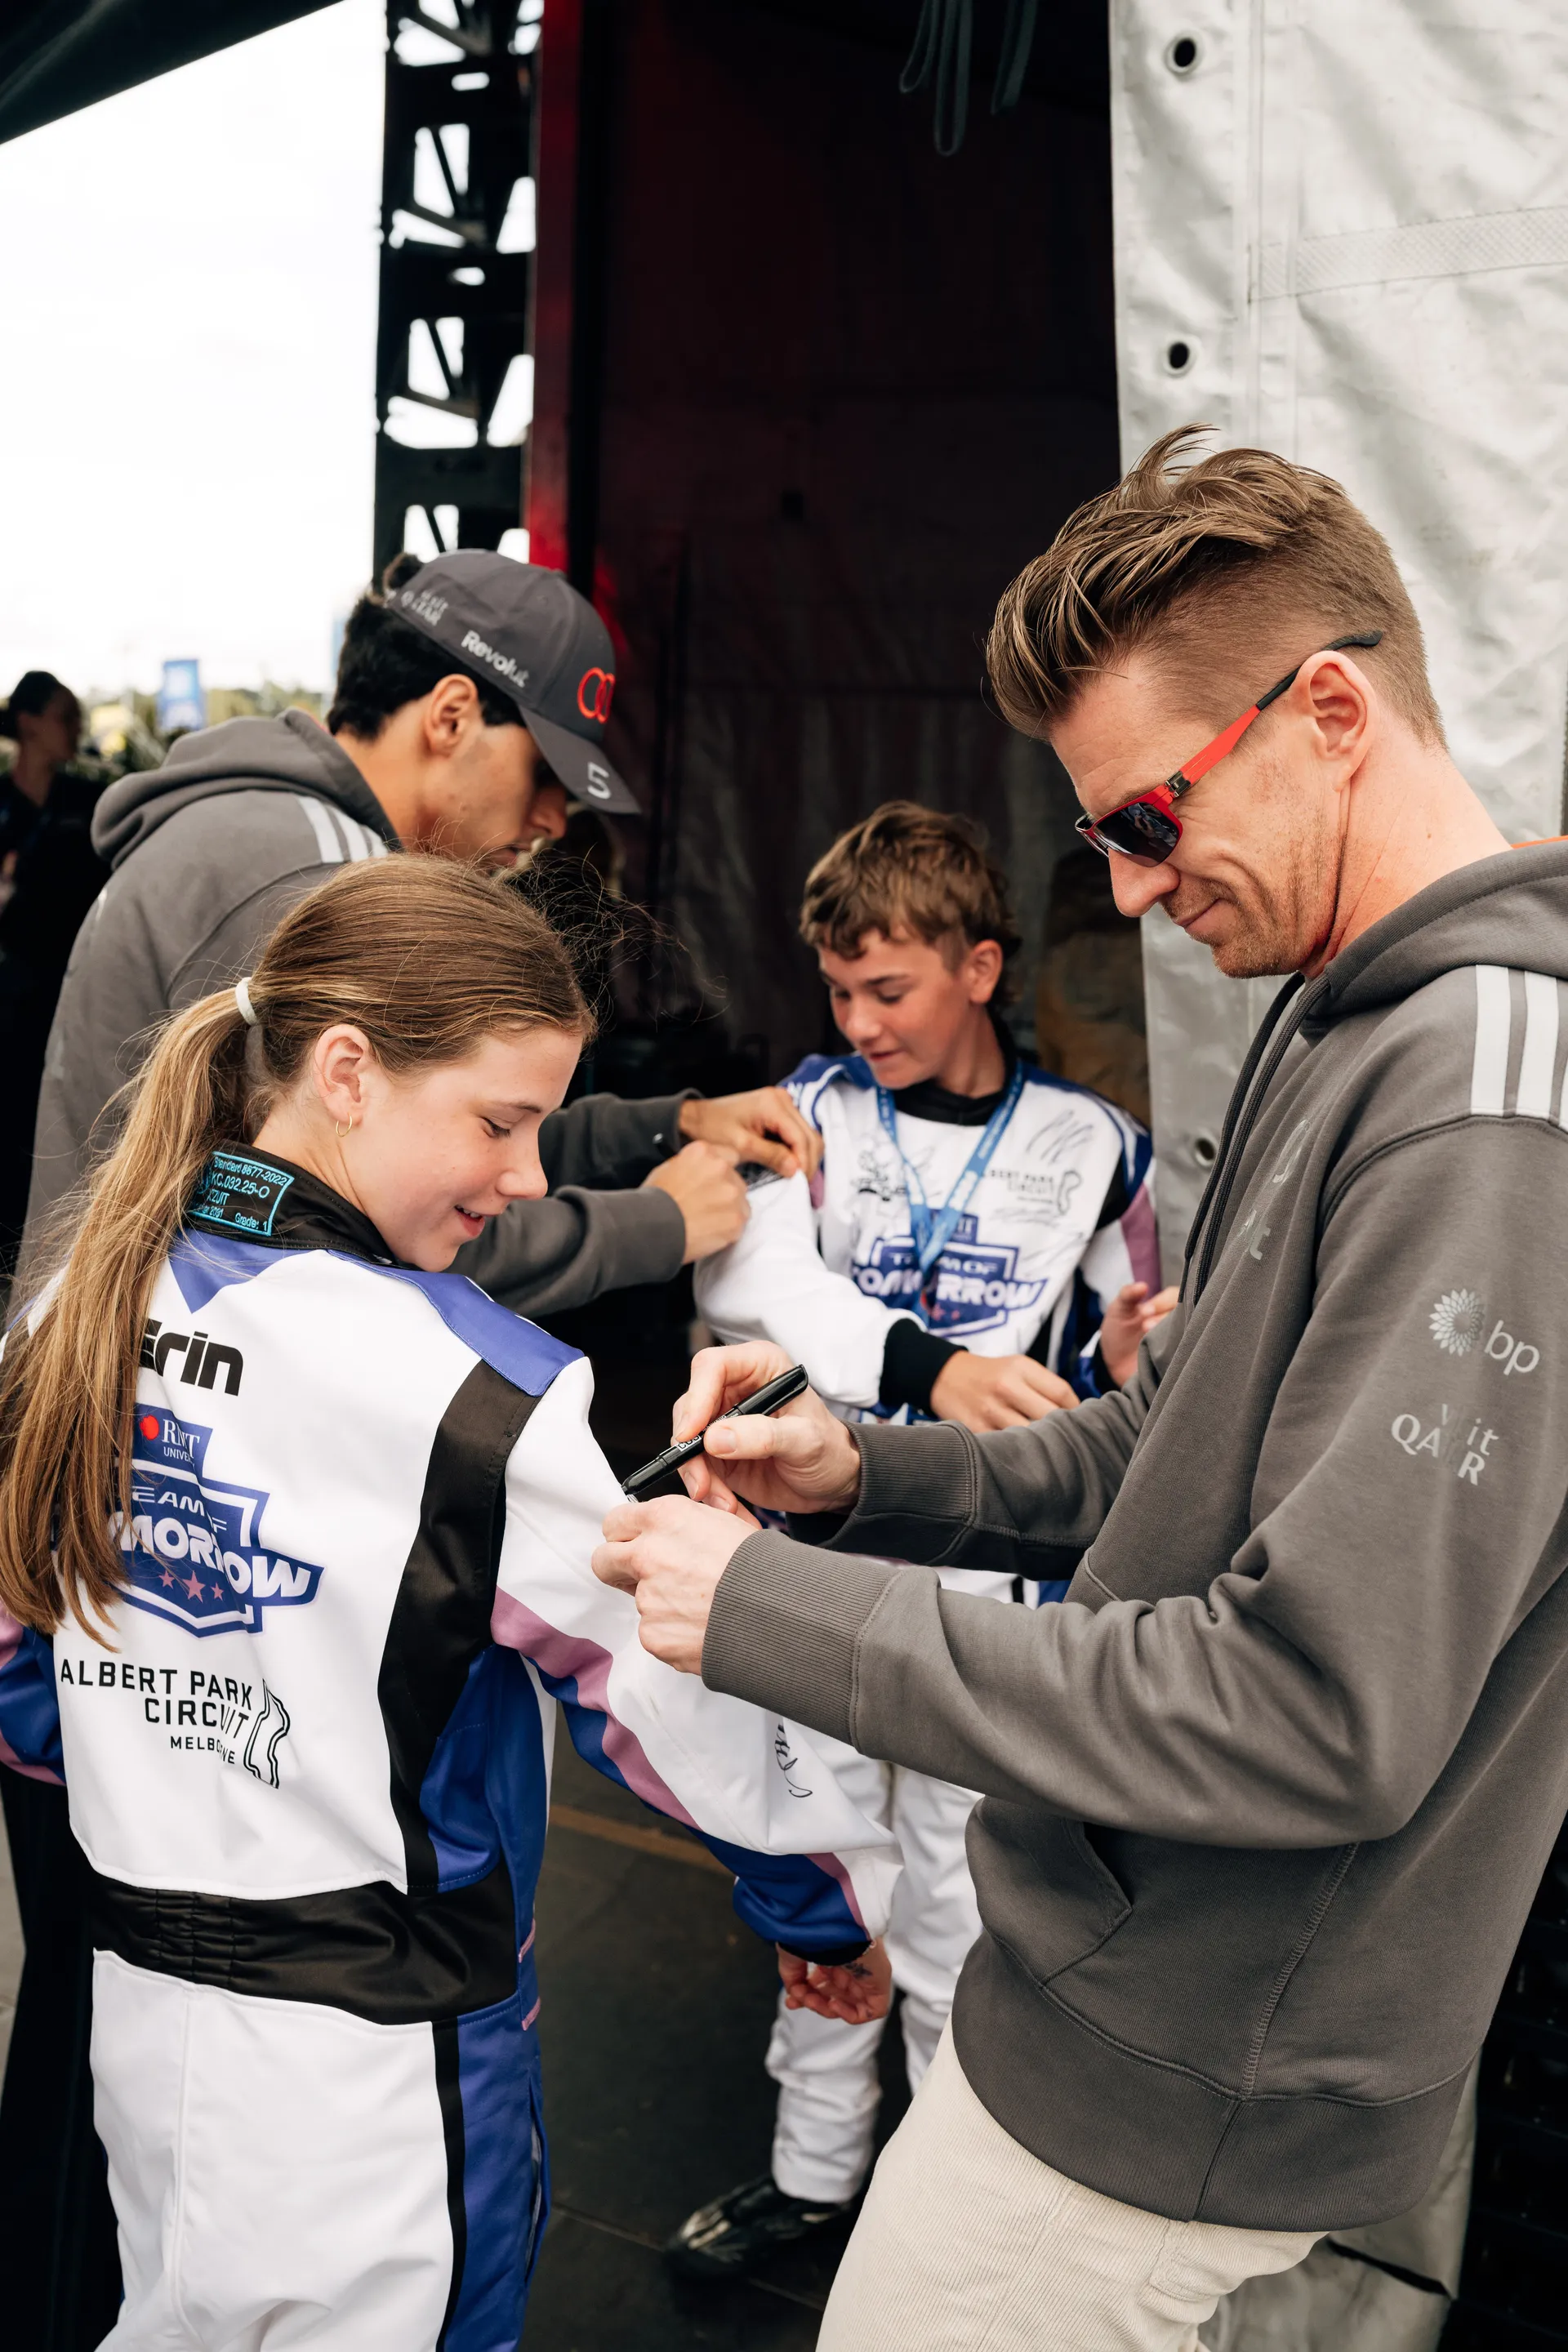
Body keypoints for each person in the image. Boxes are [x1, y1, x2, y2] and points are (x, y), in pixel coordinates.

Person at [593, 429, 1568, 2350]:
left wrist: (780, 1614)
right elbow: (1157, 1446)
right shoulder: (1349, 1010)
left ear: (1330, 713)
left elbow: (1316, 1711)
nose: (1122, 894)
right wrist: (852, 1473)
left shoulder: (1476, 1105)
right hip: (1130, 2016)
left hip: (1180, 2079)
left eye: (1142, 820)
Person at [0, 550, 819, 2352]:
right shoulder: (475, 1383)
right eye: (539, 785)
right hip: (376, 2076)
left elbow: (29, 1669)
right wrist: (814, 1904)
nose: (536, 837)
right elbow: (655, 1672)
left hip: (170, 2021)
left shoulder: (88, 1295)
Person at [670, 801, 1171, 2278]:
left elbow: (1124, 1375)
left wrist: (1137, 1364)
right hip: (807, 1575)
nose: (858, 1020)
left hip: (987, 1597)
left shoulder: (1101, 1146)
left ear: (979, 967)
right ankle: (816, 2184)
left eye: (886, 988)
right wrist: (926, 1366)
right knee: (825, 1894)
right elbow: (756, 1295)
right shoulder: (803, 1114)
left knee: (962, 1912)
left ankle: (936, 2220)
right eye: (837, 990)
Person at [20, 550, 818, 1306]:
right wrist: (657, 1225)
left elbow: (446, 1138)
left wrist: (665, 1126)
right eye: (546, 773)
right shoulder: (317, 877)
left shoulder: (277, 832)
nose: (550, 818)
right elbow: (395, 1221)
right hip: (145, 1405)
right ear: (451, 716)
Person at [0, 671, 105, 1276]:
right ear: (31, 722)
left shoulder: (89, 801)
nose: (78, 728)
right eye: (66, 715)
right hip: (13, 990)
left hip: (72, 983)